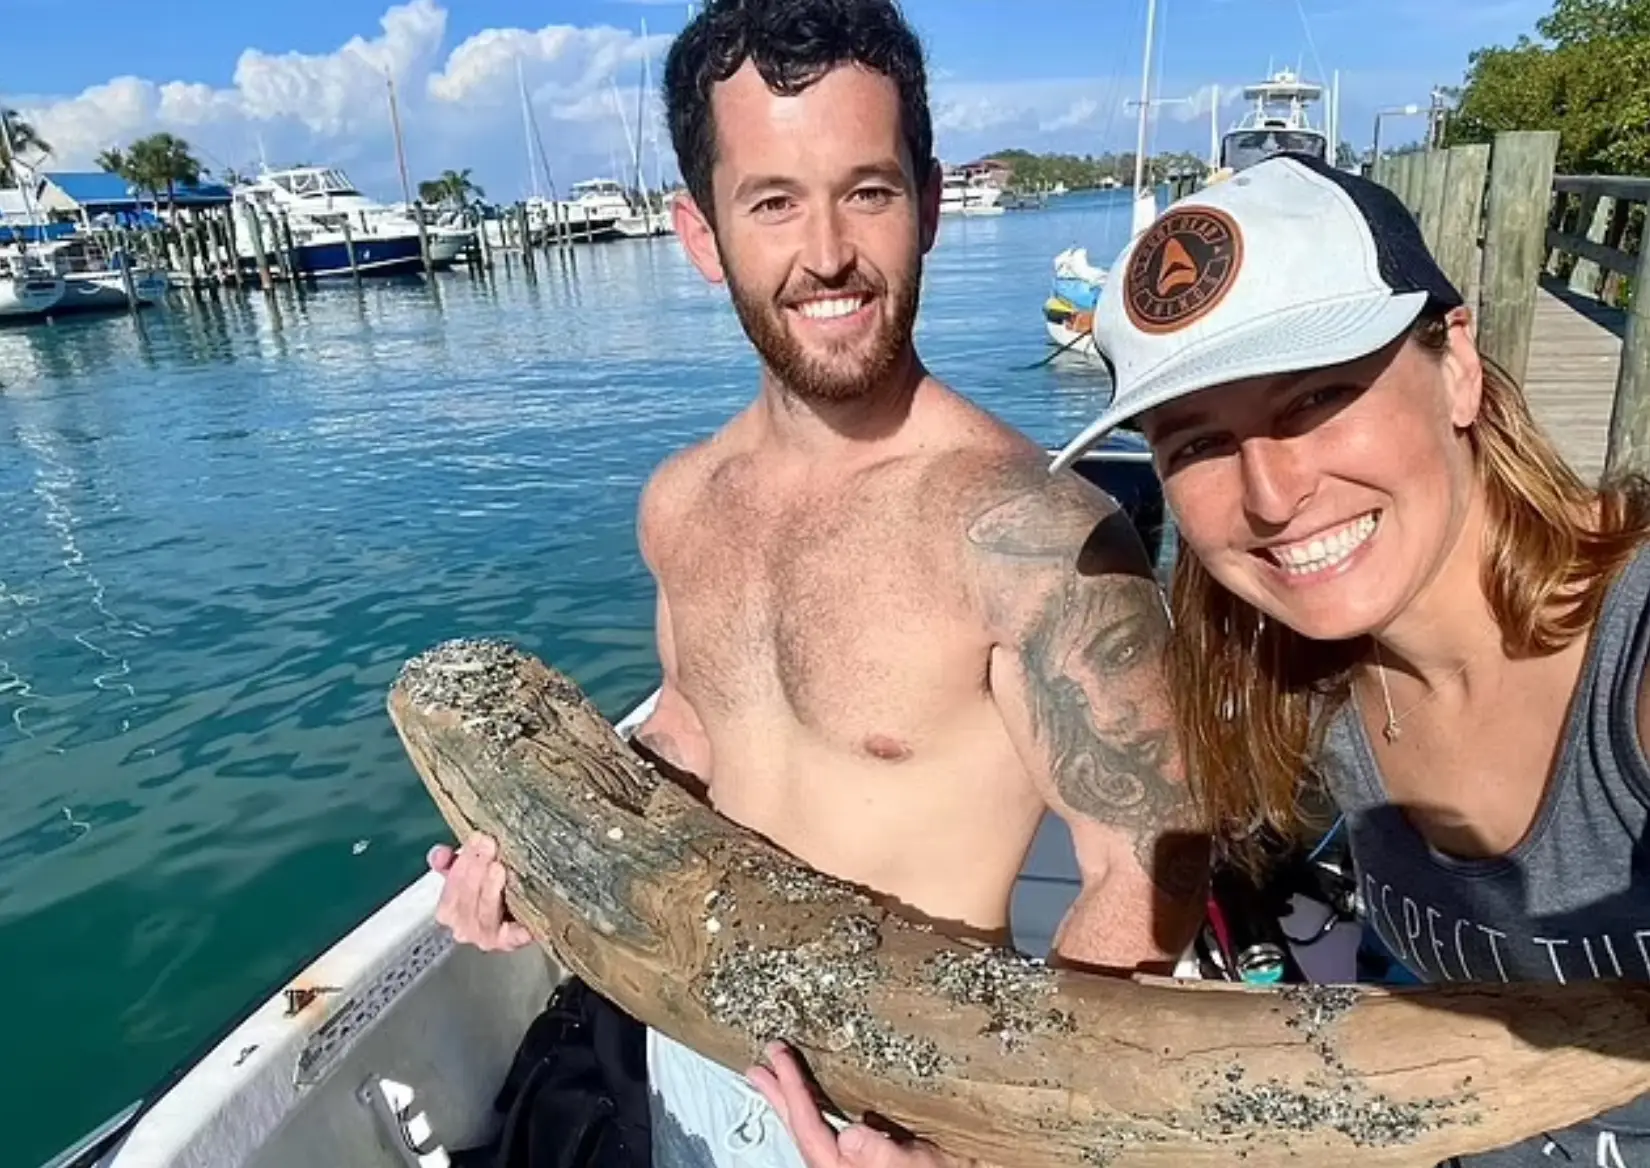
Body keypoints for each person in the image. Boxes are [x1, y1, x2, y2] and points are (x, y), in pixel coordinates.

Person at [429, 1, 1209, 1165]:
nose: (829, 252)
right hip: (692, 1055)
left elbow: (1145, 870)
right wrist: (539, 862)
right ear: (703, 234)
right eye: (774, 200)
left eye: (869, 190)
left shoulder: (1034, 531)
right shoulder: (681, 502)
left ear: (930, 204)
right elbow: (696, 732)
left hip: (910, 1110)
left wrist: (984, 1140)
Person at [1044, 150, 1650, 1167]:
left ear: (1457, 362)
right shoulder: (1306, 683)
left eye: (1317, 398)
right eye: (1195, 443)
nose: (1273, 494)